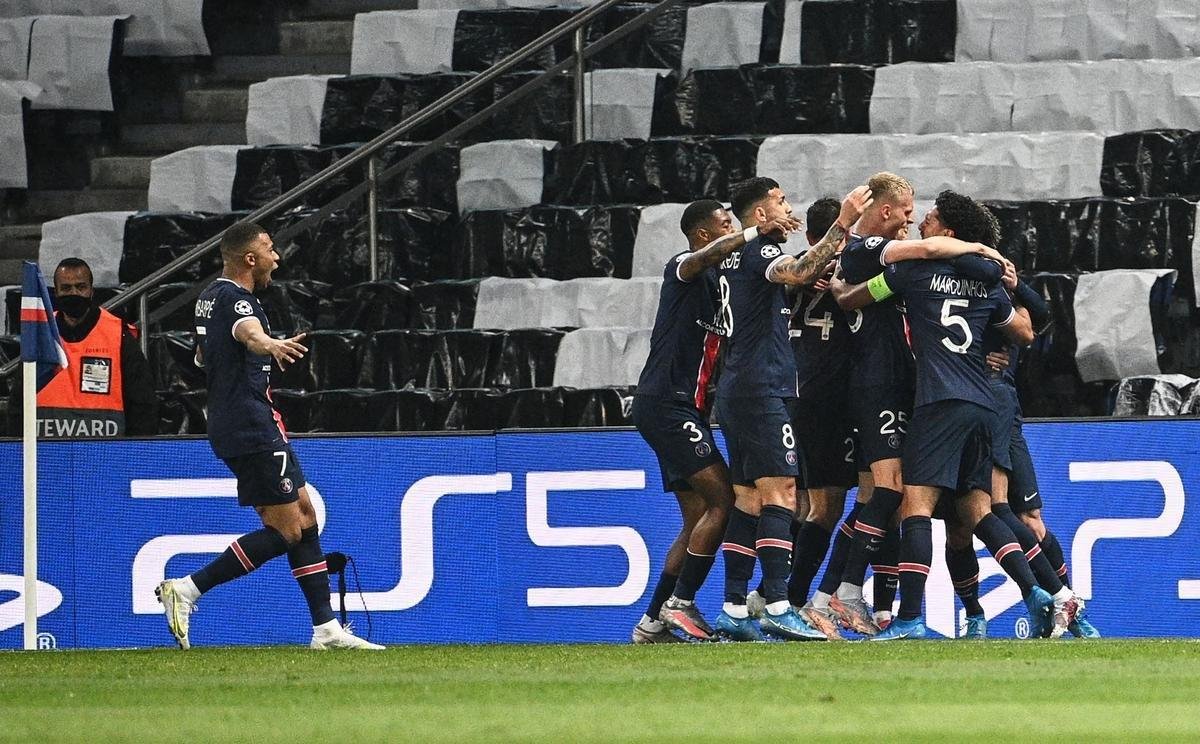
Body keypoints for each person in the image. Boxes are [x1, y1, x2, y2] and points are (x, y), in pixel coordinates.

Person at [837, 191, 1056, 641]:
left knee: (914, 506)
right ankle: (1038, 594)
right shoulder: (986, 285)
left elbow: (858, 296)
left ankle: (910, 618)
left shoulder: (911, 272)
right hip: (982, 405)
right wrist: (1009, 287)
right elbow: (1025, 330)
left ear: (948, 233)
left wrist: (839, 290)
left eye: (930, 219)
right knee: (980, 511)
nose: (921, 224)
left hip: (938, 402)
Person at [156, 223, 382, 651]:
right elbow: (248, 333)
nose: (276, 257)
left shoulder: (209, 296)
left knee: (305, 515)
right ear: (249, 259)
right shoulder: (239, 300)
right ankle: (187, 589)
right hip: (249, 426)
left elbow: (204, 353)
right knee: (286, 532)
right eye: (270, 249)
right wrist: (270, 345)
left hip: (250, 421)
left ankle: (326, 629)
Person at [824, 172, 1002, 635]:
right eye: (906, 209)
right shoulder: (869, 250)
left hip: (906, 388)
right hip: (876, 386)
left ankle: (865, 604)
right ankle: (839, 595)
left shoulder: (903, 275)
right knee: (891, 492)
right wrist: (981, 250)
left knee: (880, 495)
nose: (911, 217)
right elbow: (924, 253)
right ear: (885, 211)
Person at [632, 200, 802, 643]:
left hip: (687, 408)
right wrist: (753, 234)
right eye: (726, 225)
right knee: (725, 501)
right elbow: (706, 257)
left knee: (696, 521)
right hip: (667, 404)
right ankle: (681, 604)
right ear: (705, 234)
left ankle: (652, 623)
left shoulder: (721, 284)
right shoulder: (684, 266)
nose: (734, 230)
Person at [710, 177, 872, 642]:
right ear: (759, 215)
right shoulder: (759, 252)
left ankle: (734, 608)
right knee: (782, 492)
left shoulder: (732, 256)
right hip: (763, 389)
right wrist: (842, 223)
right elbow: (798, 273)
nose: (787, 209)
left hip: (737, 388)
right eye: (780, 202)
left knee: (747, 499)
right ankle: (780, 603)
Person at [7, 257, 158, 437]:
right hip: (46, 455)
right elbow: (18, 401)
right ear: (55, 293)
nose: (74, 293)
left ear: (91, 291)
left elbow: (143, 404)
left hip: (106, 455)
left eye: (80, 287)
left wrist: (134, 453)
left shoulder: (118, 335)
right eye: (66, 288)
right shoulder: (40, 334)